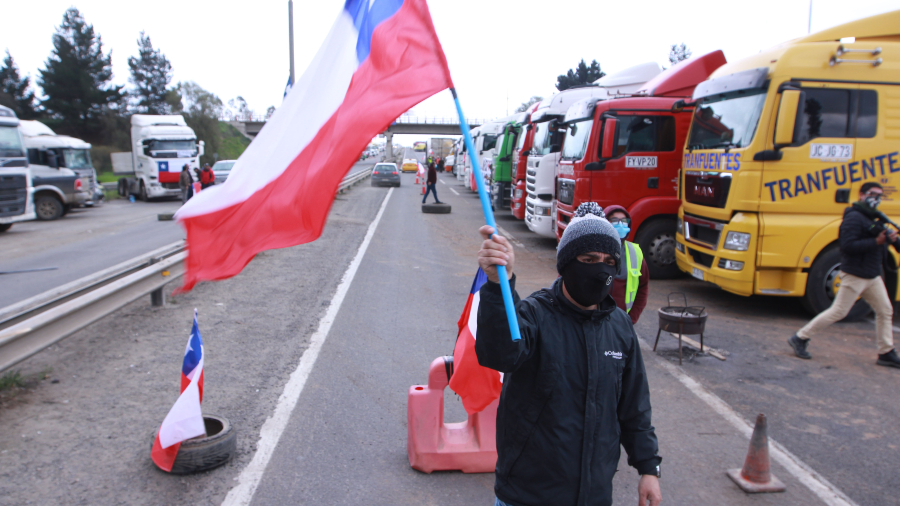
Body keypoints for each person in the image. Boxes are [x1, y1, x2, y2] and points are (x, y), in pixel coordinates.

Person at [476, 202, 662, 506]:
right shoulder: (534, 314)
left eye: (608, 261)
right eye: (588, 259)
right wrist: (499, 286)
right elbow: (500, 354)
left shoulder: (620, 326)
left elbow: (634, 405)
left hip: (594, 495)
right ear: (567, 263)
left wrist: (648, 468)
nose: (600, 269)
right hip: (528, 495)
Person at [789, 182, 900, 368]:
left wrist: (892, 240)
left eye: (880, 196)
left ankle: (886, 352)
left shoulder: (874, 218)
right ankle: (800, 337)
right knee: (838, 311)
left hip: (872, 276)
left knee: (885, 310)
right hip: (855, 274)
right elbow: (848, 247)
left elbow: (884, 244)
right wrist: (876, 241)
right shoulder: (854, 218)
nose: (876, 199)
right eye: (873, 194)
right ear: (862, 195)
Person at [604, 205, 650, 324]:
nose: (620, 225)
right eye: (615, 221)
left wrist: (631, 319)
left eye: (624, 221)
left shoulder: (635, 253)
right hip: (595, 321)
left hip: (621, 323)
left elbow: (643, 288)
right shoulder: (593, 251)